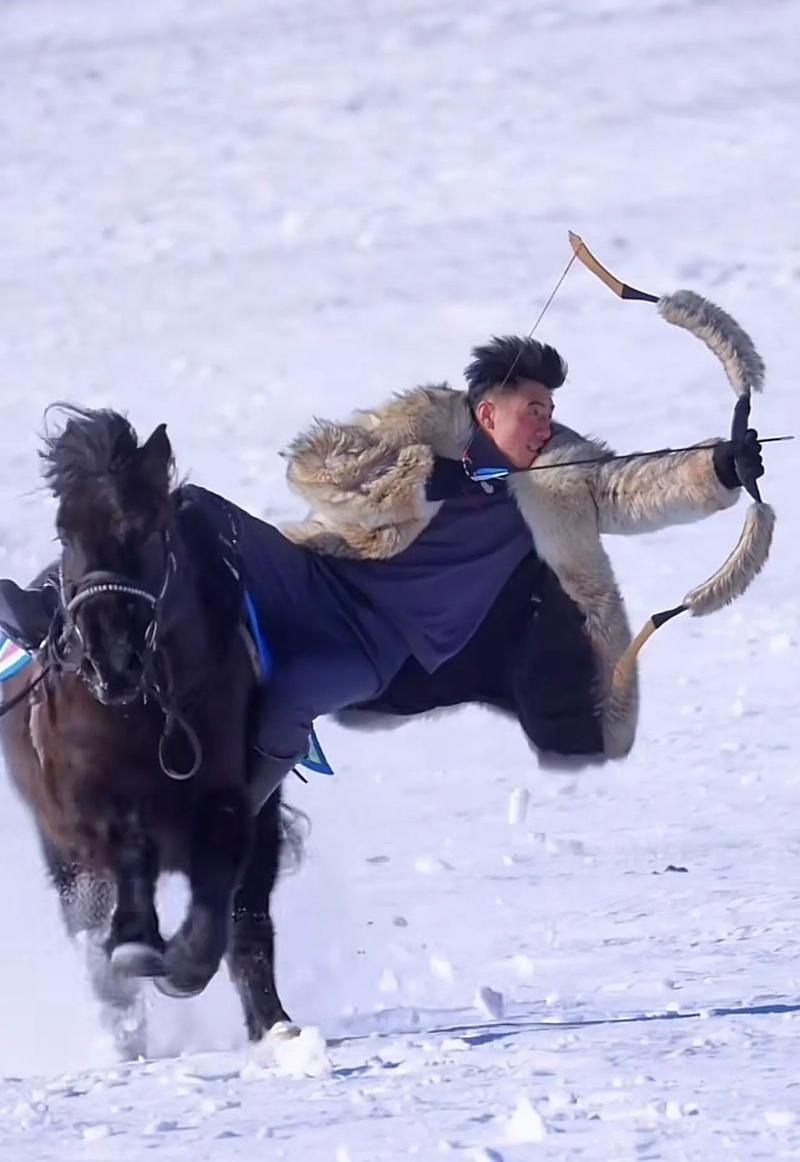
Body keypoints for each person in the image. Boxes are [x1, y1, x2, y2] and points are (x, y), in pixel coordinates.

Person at [0, 336, 764, 807]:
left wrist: (718, 471)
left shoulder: (564, 474)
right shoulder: (422, 429)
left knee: (296, 692)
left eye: (552, 408)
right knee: (192, 504)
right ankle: (52, 608)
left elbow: (633, 487)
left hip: (379, 645)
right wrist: (416, 477)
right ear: (486, 408)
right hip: (315, 576)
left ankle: (230, 822)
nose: (546, 421)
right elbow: (316, 465)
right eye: (533, 406)